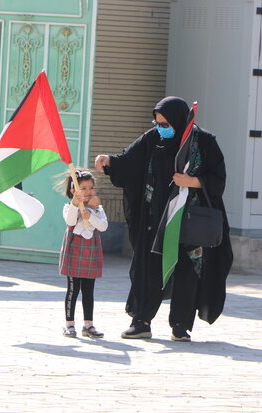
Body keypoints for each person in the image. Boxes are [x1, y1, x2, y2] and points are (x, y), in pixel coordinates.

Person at [95, 96, 232, 342]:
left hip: (188, 223)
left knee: (186, 272)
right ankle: (141, 321)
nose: (161, 128)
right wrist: (110, 162)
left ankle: (180, 325)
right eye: (157, 122)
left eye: (166, 123)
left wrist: (191, 182)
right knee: (147, 270)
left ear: (179, 121)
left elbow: (218, 179)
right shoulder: (152, 139)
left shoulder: (203, 143)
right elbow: (129, 162)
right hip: (154, 221)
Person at [59, 169, 108, 338]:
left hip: (90, 251)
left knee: (89, 290)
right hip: (74, 251)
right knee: (73, 289)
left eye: (91, 188)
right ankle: (69, 324)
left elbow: (103, 226)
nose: (88, 192)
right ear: (74, 191)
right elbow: (70, 222)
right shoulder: (69, 207)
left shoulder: (97, 208)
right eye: (84, 188)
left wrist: (91, 215)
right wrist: (75, 205)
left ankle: (88, 325)